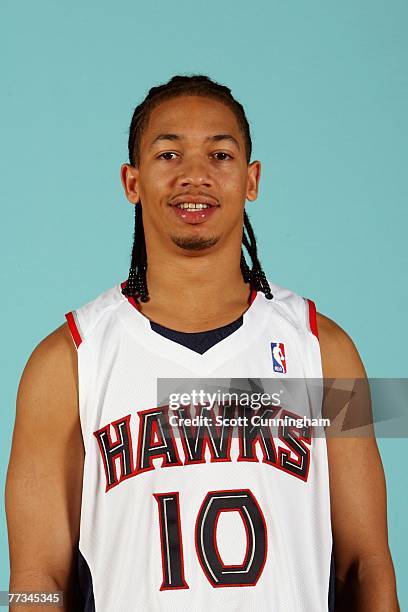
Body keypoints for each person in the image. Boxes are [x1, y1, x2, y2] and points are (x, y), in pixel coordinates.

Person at [5, 75, 399, 611]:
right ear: (132, 181)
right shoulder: (67, 361)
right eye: (168, 154)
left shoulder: (322, 350)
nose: (195, 176)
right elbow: (35, 580)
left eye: (220, 154)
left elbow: (366, 563)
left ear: (251, 179)